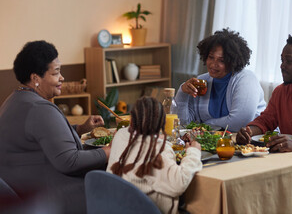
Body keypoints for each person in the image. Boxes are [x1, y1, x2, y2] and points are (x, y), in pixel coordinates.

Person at [0, 40, 110, 213]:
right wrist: (108, 151)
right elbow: (70, 161)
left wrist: (80, 129)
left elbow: (41, 138)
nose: (62, 78)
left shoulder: (15, 99)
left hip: (23, 191)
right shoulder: (39, 108)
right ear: (36, 78)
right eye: (56, 73)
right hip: (54, 196)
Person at [107, 96, 202, 214]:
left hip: (118, 207)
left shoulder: (120, 135)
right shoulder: (156, 149)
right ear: (162, 124)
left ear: (132, 119)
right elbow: (179, 182)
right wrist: (194, 152)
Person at [175, 28, 266, 132]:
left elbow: (239, 123)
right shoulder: (201, 81)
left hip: (256, 142)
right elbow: (184, 123)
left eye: (221, 60)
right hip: (216, 143)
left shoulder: (246, 79)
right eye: (211, 57)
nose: (214, 64)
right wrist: (182, 92)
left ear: (233, 61)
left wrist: (204, 126)